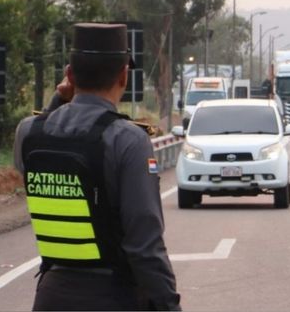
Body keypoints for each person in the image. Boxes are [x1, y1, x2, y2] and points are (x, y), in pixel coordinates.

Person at [13, 23, 181, 310]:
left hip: (51, 297)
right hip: (113, 297)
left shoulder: (27, 133)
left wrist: (58, 100)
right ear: (123, 75)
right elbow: (144, 247)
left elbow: (47, 139)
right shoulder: (128, 141)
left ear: (69, 74)